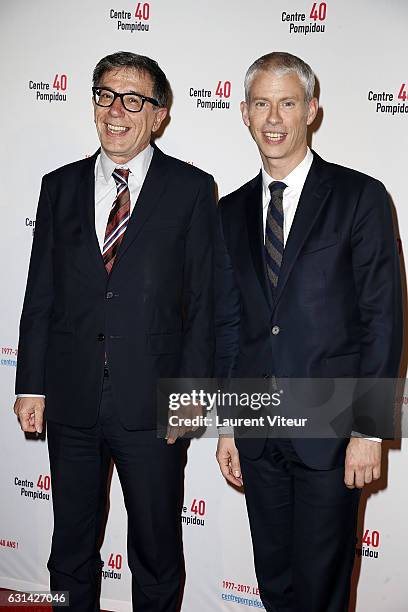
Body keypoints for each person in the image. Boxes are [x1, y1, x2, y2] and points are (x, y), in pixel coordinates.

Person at [14, 51, 216, 611]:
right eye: (105, 95)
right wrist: (30, 384)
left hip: (152, 403)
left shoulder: (192, 189)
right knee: (68, 548)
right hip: (72, 399)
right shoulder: (59, 187)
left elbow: (201, 302)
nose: (116, 111)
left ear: (160, 114)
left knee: (155, 550)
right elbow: (40, 294)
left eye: (134, 100)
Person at [215, 52, 402, 612]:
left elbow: (383, 318)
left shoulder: (359, 197)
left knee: (322, 589)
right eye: (262, 104)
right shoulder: (228, 212)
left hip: (332, 431)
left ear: (312, 111)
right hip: (258, 431)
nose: (274, 118)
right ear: (244, 113)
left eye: (288, 103)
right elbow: (231, 325)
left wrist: (370, 431)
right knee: (274, 581)